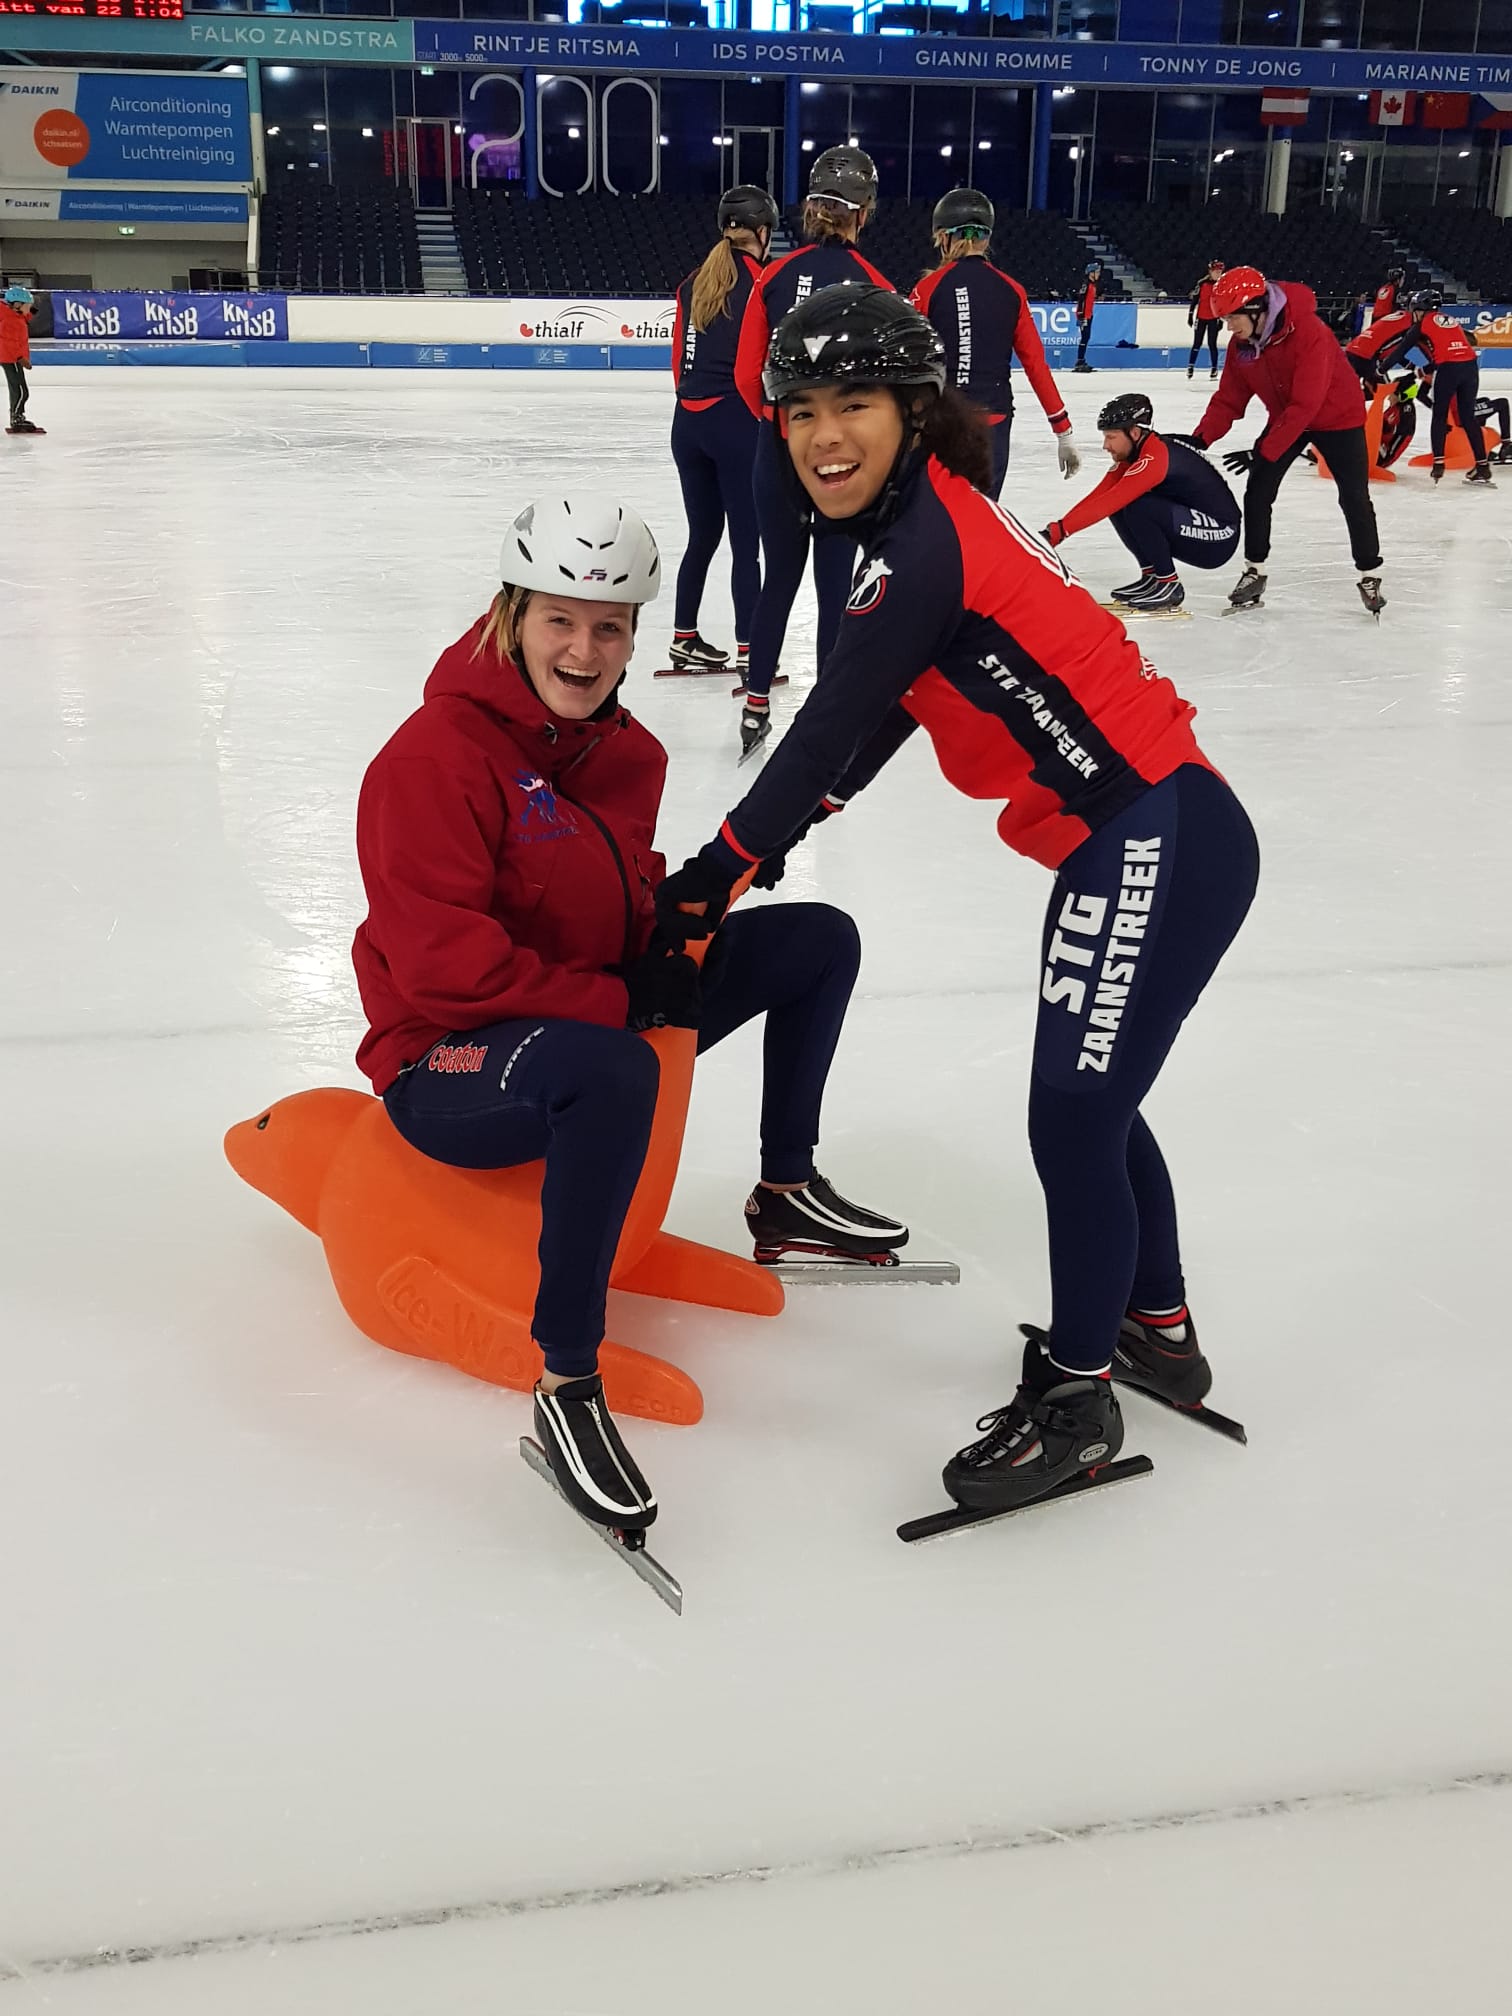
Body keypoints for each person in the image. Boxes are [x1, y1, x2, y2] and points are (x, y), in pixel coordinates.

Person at [653, 287, 1260, 1518]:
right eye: (803, 409)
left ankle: (1081, 1402)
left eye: (855, 405)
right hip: (1145, 832)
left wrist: (712, 876)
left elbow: (824, 729)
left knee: (1075, 1119)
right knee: (1095, 1104)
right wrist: (761, 852)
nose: (825, 435)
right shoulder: (926, 529)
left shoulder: (921, 547)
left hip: (1153, 830)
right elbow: (879, 724)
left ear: (914, 412)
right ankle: (1155, 1328)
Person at [351, 493, 904, 1533]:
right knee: (614, 1070)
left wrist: (676, 921)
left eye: (610, 626)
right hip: (448, 1056)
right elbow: (441, 974)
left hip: (573, 1013)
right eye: (560, 618)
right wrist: (619, 998)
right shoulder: (432, 760)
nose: (585, 647)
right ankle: (566, 1380)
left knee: (816, 938)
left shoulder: (627, 752)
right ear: (511, 616)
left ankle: (784, 1190)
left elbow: (608, 889)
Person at [732, 145, 893, 758]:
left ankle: (755, 708)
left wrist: (786, 429)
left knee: (779, 581)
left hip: (776, 453)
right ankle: (830, 715)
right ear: (864, 212)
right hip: (840, 462)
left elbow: (749, 376)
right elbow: (887, 392)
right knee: (833, 585)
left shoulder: (772, 276)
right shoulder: (878, 287)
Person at [1188, 265, 1385, 616]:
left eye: (1233, 318)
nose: (1229, 328)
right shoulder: (1242, 345)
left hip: (1338, 419)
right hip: (1287, 419)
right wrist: (1201, 439)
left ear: (1256, 309)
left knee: (1353, 496)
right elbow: (1229, 398)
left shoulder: (1309, 332)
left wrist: (1264, 449)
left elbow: (1307, 403)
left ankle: (1369, 572)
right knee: (1258, 490)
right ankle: (1254, 570)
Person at [665, 186, 778, 680]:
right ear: (762, 232)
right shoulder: (762, 280)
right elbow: (758, 366)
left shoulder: (693, 281)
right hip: (735, 423)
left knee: (703, 536)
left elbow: (677, 363)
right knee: (746, 544)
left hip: (687, 423)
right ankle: (751, 653)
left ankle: (684, 638)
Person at [908, 188, 1080, 498]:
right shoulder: (1012, 290)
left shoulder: (928, 288)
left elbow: (908, 361)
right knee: (981, 520)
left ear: (943, 237)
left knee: (939, 522)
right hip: (994, 424)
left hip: (944, 423)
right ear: (986, 239)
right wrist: (1062, 431)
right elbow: (1036, 366)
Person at [1042, 393, 1239, 611]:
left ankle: (1168, 583)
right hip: (1204, 525)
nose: (1105, 446)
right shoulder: (1137, 451)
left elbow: (1110, 501)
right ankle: (1153, 575)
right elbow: (1100, 496)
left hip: (1221, 537)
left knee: (1137, 505)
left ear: (1134, 433)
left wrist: (1058, 532)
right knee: (1124, 505)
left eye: (1111, 437)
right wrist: (1056, 530)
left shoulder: (1155, 457)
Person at [1402, 289, 1496, 488]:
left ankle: (1439, 463)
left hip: (1446, 369)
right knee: (1468, 417)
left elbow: (1405, 350)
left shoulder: (1422, 327)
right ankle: (1482, 464)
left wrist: (1384, 368)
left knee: (1439, 414)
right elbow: (1464, 343)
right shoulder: (1449, 321)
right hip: (1467, 368)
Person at [2, 285, 41, 436]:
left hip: (12, 357)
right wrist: (20, 358)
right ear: (17, 305)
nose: (30, 308)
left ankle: (17, 416)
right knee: (21, 391)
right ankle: (16, 418)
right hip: (12, 358)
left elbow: (24, 317)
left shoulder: (15, 316)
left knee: (17, 389)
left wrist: (30, 309)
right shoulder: (10, 321)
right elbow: (8, 342)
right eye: (28, 305)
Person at [1187, 260, 1225, 382]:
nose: (1218, 274)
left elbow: (1223, 304)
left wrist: (1222, 319)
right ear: (1210, 271)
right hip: (1201, 317)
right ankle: (1190, 366)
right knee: (1197, 343)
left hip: (1214, 318)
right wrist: (1190, 314)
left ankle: (1214, 368)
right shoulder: (1202, 283)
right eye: (1216, 272)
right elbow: (1195, 300)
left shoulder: (1222, 285)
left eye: (1220, 272)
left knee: (1212, 343)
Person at [1074, 260, 1102, 373]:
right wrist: (1081, 316)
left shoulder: (1092, 285)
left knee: (1086, 337)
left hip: (1088, 314)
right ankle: (1079, 361)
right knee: (1084, 338)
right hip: (1084, 315)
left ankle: (1081, 360)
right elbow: (1081, 300)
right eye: (1097, 272)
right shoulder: (1086, 285)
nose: (1099, 274)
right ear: (1091, 273)